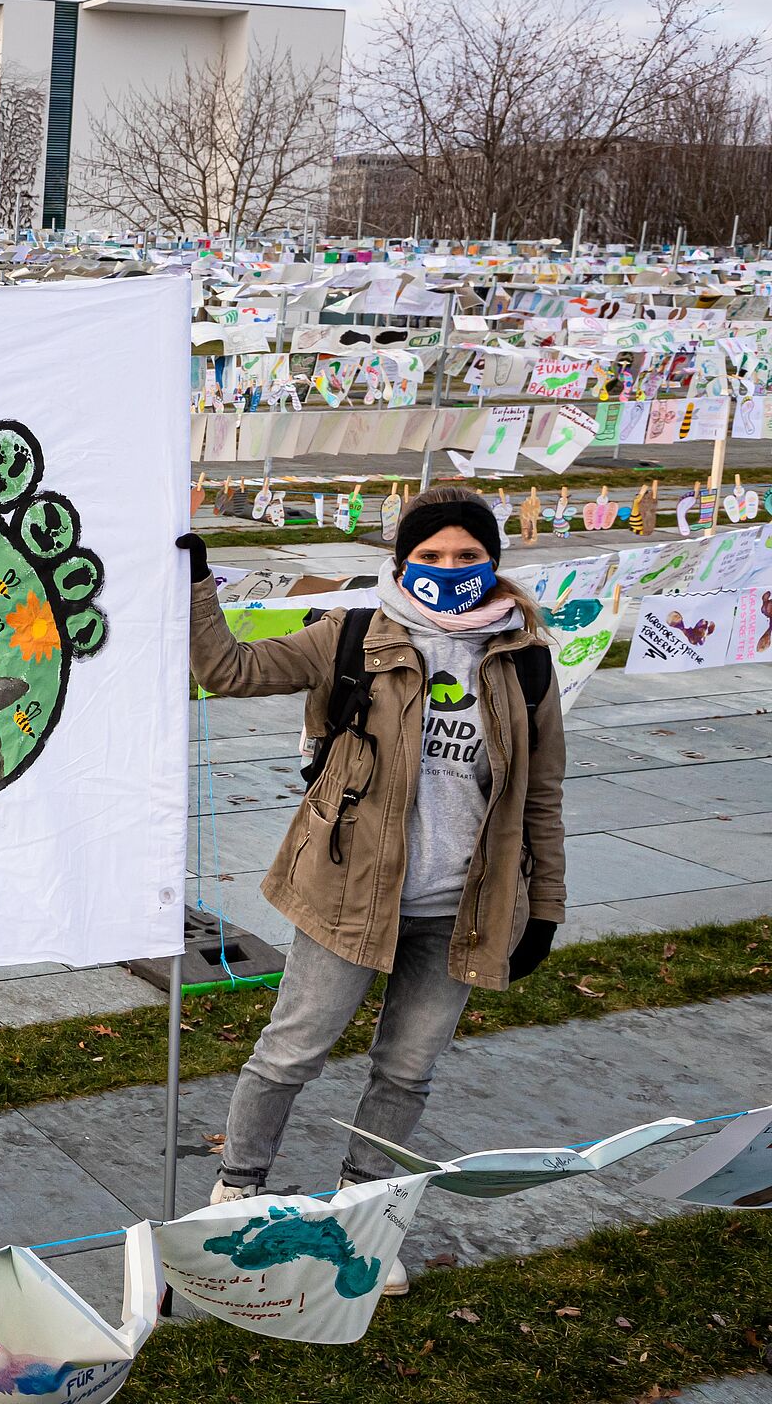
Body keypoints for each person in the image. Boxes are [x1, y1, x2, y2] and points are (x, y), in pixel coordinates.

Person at [178, 486, 565, 1295]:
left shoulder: (524, 659)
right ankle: (237, 1190)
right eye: (431, 556)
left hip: (463, 909)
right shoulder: (352, 634)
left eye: (467, 556)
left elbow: (541, 795)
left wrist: (545, 910)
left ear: (493, 562)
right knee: (291, 1052)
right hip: (348, 891)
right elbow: (228, 669)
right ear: (402, 560)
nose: (450, 570)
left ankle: (365, 1216)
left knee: (407, 1072)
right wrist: (197, 588)